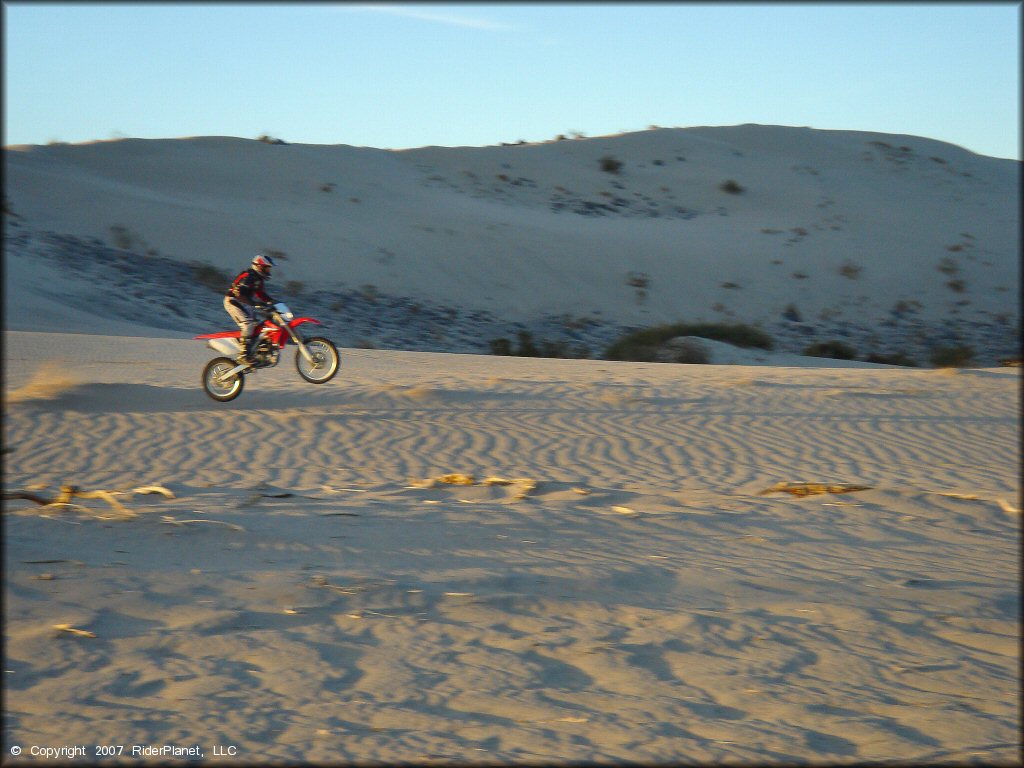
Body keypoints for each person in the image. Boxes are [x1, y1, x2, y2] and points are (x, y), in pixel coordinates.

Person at [224, 253, 277, 364]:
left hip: (244, 303)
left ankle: (255, 351)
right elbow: (239, 294)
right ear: (259, 266)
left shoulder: (258, 278)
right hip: (233, 301)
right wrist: (255, 304)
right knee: (247, 324)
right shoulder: (248, 276)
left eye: (268, 269)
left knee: (256, 326)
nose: (268, 271)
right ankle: (244, 354)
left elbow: (260, 294)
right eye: (266, 268)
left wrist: (273, 302)